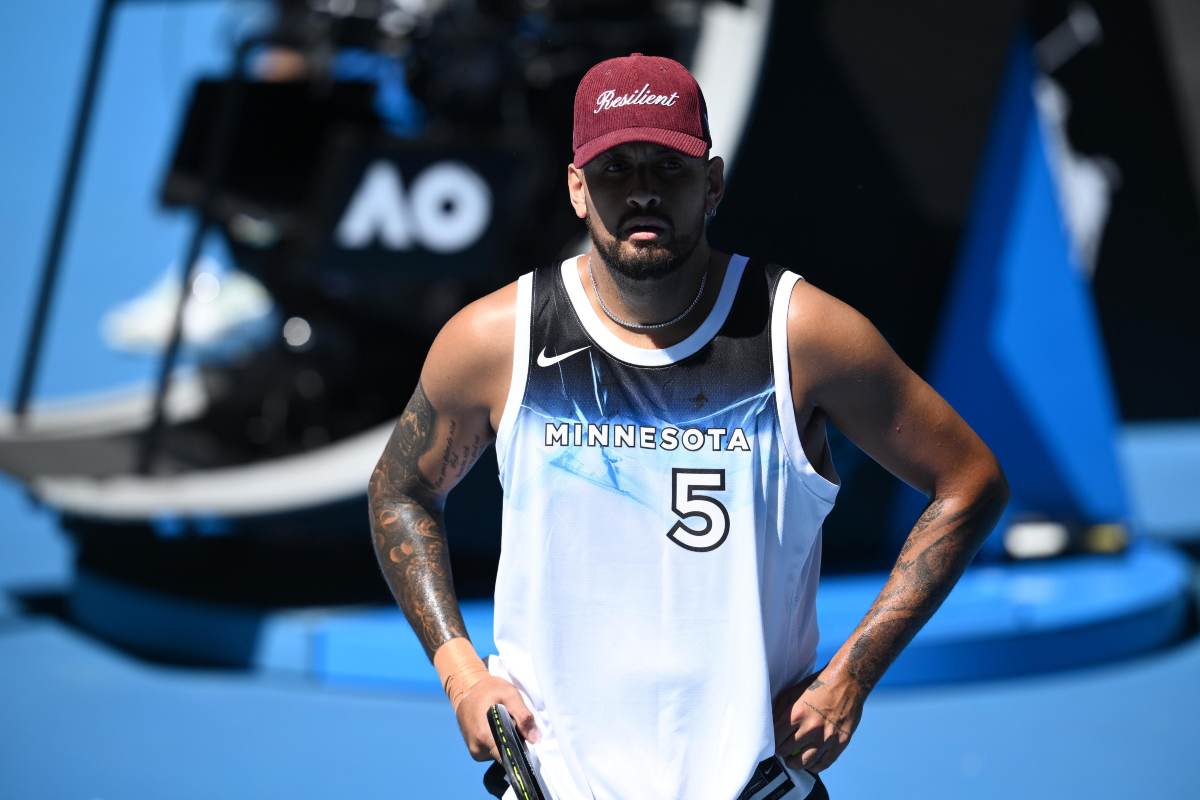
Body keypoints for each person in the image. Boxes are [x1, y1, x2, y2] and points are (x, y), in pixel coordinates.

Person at [367, 53, 1008, 800]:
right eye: (614, 170)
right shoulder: (493, 339)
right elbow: (399, 491)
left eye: (667, 168)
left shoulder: (800, 335)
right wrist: (459, 675)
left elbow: (969, 483)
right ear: (576, 189)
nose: (641, 191)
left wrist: (851, 676)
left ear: (712, 182)